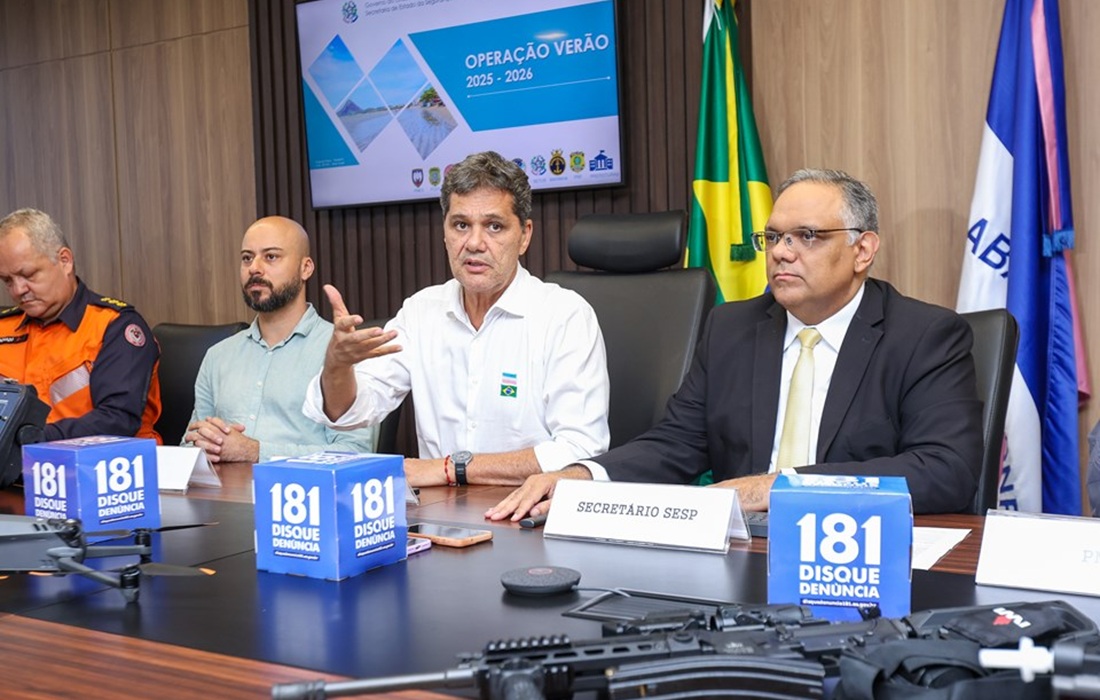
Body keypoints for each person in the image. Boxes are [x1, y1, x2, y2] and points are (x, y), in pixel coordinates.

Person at [486, 168, 983, 519]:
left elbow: (945, 470)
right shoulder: (733, 328)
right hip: (743, 552)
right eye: (774, 237)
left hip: (857, 555)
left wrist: (780, 487)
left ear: (863, 249)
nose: (782, 253)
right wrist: (583, 476)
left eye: (807, 236)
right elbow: (676, 445)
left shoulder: (923, 336)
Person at [302, 151, 610, 487]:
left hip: (528, 511)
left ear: (524, 236)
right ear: (445, 233)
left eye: (494, 226)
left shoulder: (565, 316)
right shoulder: (421, 311)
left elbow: (580, 449)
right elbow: (350, 413)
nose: (474, 243)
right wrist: (337, 366)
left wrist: (452, 468)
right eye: (461, 225)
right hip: (439, 512)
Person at [184, 216, 377, 463]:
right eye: (247, 258)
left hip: (305, 487)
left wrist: (254, 451)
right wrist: (203, 444)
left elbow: (356, 452)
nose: (254, 268)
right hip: (221, 488)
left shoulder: (342, 351)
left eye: (271, 256)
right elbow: (188, 445)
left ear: (305, 268)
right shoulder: (218, 356)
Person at [0, 208, 162, 441]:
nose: (18, 290)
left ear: (64, 261)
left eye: (29, 275)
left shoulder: (113, 326)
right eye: (7, 280)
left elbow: (117, 420)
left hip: (103, 461)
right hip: (16, 461)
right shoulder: (4, 327)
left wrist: (27, 440)